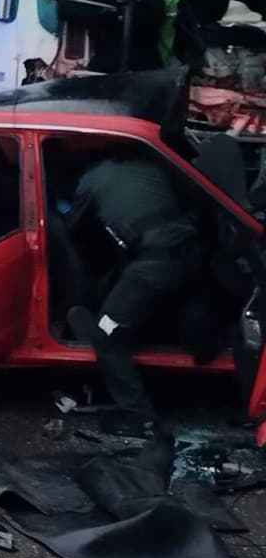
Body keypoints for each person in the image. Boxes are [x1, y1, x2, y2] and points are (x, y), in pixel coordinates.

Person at [65, 146, 198, 438]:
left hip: (151, 267)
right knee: (114, 291)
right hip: (189, 257)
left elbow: (73, 228)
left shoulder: (93, 178)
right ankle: (115, 323)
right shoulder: (152, 166)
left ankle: (141, 419)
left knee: (105, 336)